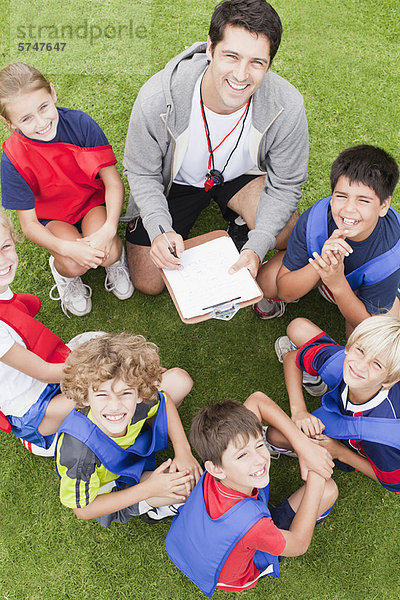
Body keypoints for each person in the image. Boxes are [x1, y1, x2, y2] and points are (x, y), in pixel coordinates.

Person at [122, 0, 308, 295]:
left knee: (287, 232)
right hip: (177, 182)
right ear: (210, 48)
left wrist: (257, 248)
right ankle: (142, 226)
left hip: (240, 175)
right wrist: (159, 226)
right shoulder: (157, 98)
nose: (241, 74)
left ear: (269, 62)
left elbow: (286, 185)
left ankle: (240, 223)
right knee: (148, 281)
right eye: (231, 56)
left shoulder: (288, 104)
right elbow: (141, 172)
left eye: (257, 62)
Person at [165, 394, 337, 595]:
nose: (259, 459)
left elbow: (256, 400)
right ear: (216, 468)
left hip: (190, 540)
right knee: (328, 490)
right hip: (234, 573)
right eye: (242, 455)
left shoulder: (217, 472)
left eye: (259, 444)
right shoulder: (252, 526)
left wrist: (304, 447)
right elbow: (298, 545)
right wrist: (316, 472)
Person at [0, 62, 133, 317]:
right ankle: (64, 276)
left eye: (43, 107)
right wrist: (66, 249)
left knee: (107, 252)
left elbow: (113, 182)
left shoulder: (81, 124)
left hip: (91, 204)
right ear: (9, 123)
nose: (41, 123)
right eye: (26, 118)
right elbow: (29, 225)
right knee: (73, 264)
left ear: (52, 93)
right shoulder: (12, 158)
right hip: (54, 217)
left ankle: (116, 262)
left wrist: (108, 229)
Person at [56, 332, 203, 527]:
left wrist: (183, 452)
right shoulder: (79, 453)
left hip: (130, 455)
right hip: (111, 488)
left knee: (181, 381)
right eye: (102, 395)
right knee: (186, 486)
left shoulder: (138, 401)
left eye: (125, 393)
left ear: (139, 393)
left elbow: (164, 400)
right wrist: (149, 489)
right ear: (85, 397)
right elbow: (84, 510)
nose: (115, 406)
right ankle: (154, 510)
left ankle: (155, 489)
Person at [255, 145, 400, 332]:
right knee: (265, 284)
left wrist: (337, 282)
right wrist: (323, 263)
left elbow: (365, 323)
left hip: (365, 287)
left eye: (363, 200)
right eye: (341, 196)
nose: (349, 209)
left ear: (383, 206)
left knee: (370, 335)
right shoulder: (316, 219)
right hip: (322, 266)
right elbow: (285, 291)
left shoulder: (390, 254)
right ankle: (318, 278)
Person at [273, 315, 400, 493]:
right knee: (297, 327)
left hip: (354, 436)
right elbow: (292, 359)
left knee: (275, 435)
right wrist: (299, 410)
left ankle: (304, 448)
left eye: (377, 364)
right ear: (349, 346)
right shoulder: (342, 363)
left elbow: (394, 483)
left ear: (389, 380)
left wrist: (340, 452)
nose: (360, 366)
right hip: (350, 396)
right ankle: (313, 378)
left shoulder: (381, 440)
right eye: (360, 350)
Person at [0, 208, 77, 455]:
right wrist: (100, 369)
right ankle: (44, 440)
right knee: (107, 392)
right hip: (34, 409)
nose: (3, 261)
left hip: (48, 378)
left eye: (5, 247)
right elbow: (44, 373)